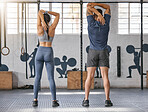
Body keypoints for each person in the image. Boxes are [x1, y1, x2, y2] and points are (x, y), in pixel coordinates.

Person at [82, 3, 113, 107]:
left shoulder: (91, 23)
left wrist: (95, 10)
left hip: (92, 51)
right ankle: (107, 100)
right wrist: (98, 8)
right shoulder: (106, 23)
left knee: (89, 77)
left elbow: (88, 7)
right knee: (105, 76)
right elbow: (108, 7)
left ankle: (86, 100)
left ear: (94, 16)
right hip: (104, 51)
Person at [32, 9, 60, 107]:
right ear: (49, 20)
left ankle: (35, 100)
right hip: (48, 51)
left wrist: (42, 19)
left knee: (37, 77)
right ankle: (54, 101)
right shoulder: (52, 28)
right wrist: (48, 12)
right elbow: (58, 15)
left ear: (42, 20)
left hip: (39, 51)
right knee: (51, 78)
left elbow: (39, 11)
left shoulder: (39, 27)